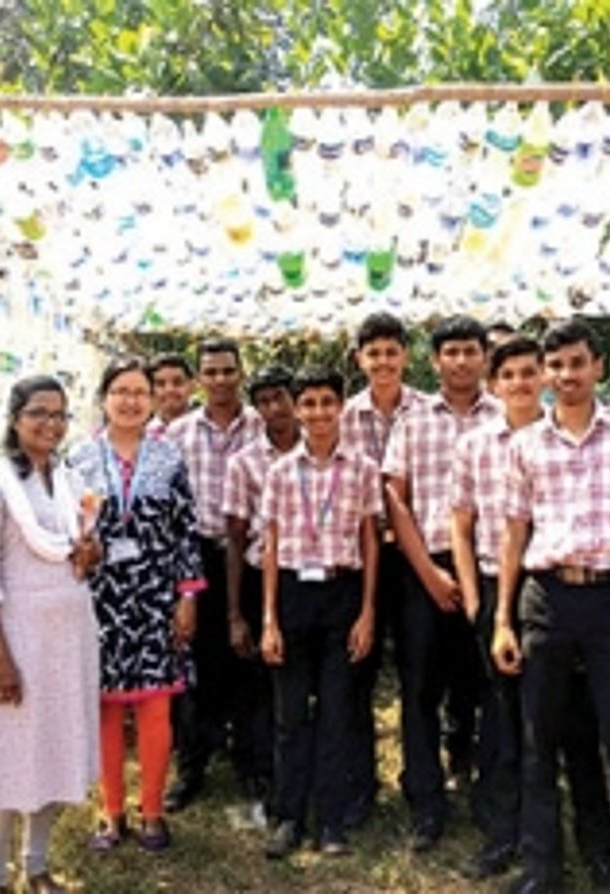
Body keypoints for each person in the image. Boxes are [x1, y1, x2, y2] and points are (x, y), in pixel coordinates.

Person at [493, 319, 610, 893]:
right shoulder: (525, 446)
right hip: (546, 599)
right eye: (557, 365)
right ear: (546, 373)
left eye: (577, 363)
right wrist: (502, 619)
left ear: (600, 366)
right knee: (538, 743)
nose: (567, 375)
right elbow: (514, 534)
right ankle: (541, 870)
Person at [451, 334, 610, 885]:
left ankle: (596, 843)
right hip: (502, 592)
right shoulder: (476, 444)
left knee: (578, 725)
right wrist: (480, 603)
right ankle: (510, 840)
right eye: (510, 375)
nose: (521, 383)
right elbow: (462, 523)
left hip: (559, 592)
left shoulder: (579, 435)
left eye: (530, 372)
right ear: (494, 385)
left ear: (544, 379)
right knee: (509, 729)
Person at [0, 374, 100, 894]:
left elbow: (77, 549)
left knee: (54, 752)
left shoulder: (65, 479)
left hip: (67, 643)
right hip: (14, 643)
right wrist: (2, 659)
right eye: (39, 413)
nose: (51, 424)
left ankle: (37, 866)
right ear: (15, 418)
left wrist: (90, 552)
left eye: (60, 414)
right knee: (9, 759)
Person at [69, 357, 205, 853]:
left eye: (139, 392)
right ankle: (111, 812)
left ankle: (151, 811)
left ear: (152, 402)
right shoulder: (79, 460)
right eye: (120, 391)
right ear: (104, 398)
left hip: (155, 598)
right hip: (99, 599)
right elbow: (68, 529)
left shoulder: (169, 458)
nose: (130, 401)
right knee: (104, 709)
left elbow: (186, 530)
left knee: (154, 706)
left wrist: (187, 597)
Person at [384, 314, 501, 851]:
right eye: (450, 352)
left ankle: (491, 799)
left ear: (484, 357)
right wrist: (429, 574)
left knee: (490, 689)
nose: (460, 361)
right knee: (420, 690)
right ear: (434, 361)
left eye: (470, 351)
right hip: (424, 567)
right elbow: (395, 500)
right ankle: (427, 804)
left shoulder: (508, 416)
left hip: (492, 566)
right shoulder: (412, 420)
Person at [259, 366, 381, 858]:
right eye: (307, 404)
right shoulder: (280, 472)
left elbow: (371, 541)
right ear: (296, 408)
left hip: (342, 594)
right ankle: (289, 817)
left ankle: (330, 821)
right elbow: (269, 545)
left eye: (327, 402)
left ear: (341, 406)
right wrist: (268, 617)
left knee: (336, 712)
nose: (318, 413)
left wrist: (368, 611)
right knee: (290, 715)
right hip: (291, 594)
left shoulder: (362, 469)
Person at [164, 338, 264, 811]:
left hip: (252, 556)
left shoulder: (264, 426)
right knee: (197, 663)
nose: (221, 380)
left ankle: (252, 766)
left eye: (228, 370)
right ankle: (192, 768)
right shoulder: (176, 434)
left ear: (240, 373)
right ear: (199, 380)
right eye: (212, 372)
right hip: (198, 555)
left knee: (249, 662)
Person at [338, 311, 426, 825]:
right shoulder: (343, 416)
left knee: (417, 676)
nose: (384, 362)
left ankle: (420, 788)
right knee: (356, 677)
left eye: (392, 352)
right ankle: (358, 785)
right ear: (360, 359)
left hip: (413, 556)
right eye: (374, 354)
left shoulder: (427, 412)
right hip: (359, 558)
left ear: (406, 357)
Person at [221, 365, 300, 824]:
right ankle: (257, 774)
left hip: (306, 580)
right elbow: (234, 538)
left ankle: (300, 774)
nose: (274, 408)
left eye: (280, 398)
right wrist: (235, 613)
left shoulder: (326, 451)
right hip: (255, 576)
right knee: (255, 684)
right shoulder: (245, 462)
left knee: (296, 686)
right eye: (264, 401)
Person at [150, 353, 196, 431]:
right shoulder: (141, 435)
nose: (169, 390)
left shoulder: (211, 429)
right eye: (161, 384)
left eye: (177, 382)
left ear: (192, 386)